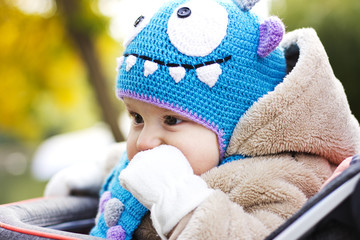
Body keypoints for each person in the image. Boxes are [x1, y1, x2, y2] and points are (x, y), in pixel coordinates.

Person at [45, 0, 360, 239]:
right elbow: (121, 163)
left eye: (171, 119)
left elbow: (265, 232)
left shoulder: (278, 178)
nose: (144, 141)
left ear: (240, 121)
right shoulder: (155, 157)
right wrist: (90, 178)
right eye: (137, 117)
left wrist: (180, 202)